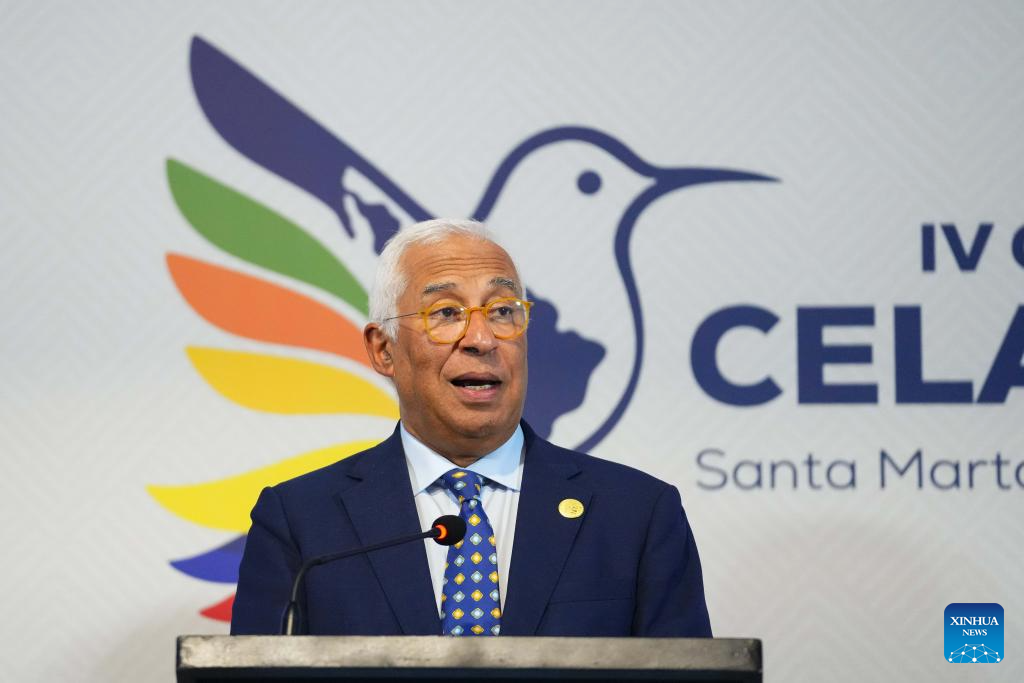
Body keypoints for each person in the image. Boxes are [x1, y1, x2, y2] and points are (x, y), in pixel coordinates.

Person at [231, 218, 711, 637]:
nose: (481, 339)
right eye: (446, 313)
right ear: (383, 350)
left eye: (503, 311)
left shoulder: (636, 515)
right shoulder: (300, 523)